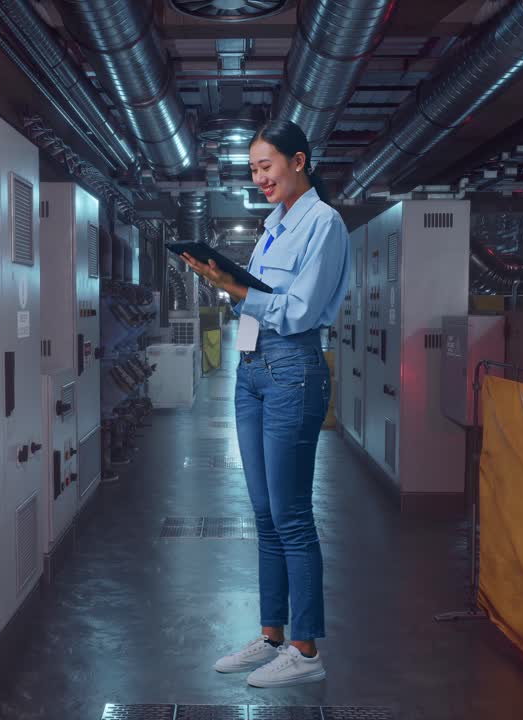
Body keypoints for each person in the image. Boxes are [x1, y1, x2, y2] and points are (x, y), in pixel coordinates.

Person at [180, 119, 351, 688]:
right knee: (264, 514)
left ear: (298, 161)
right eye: (252, 169)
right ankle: (273, 634)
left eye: (266, 166)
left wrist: (235, 289)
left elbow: (299, 312)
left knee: (292, 515)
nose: (258, 178)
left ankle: (305, 652)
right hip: (252, 370)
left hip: (291, 369)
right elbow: (256, 301)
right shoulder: (273, 226)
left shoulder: (322, 224)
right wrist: (221, 281)